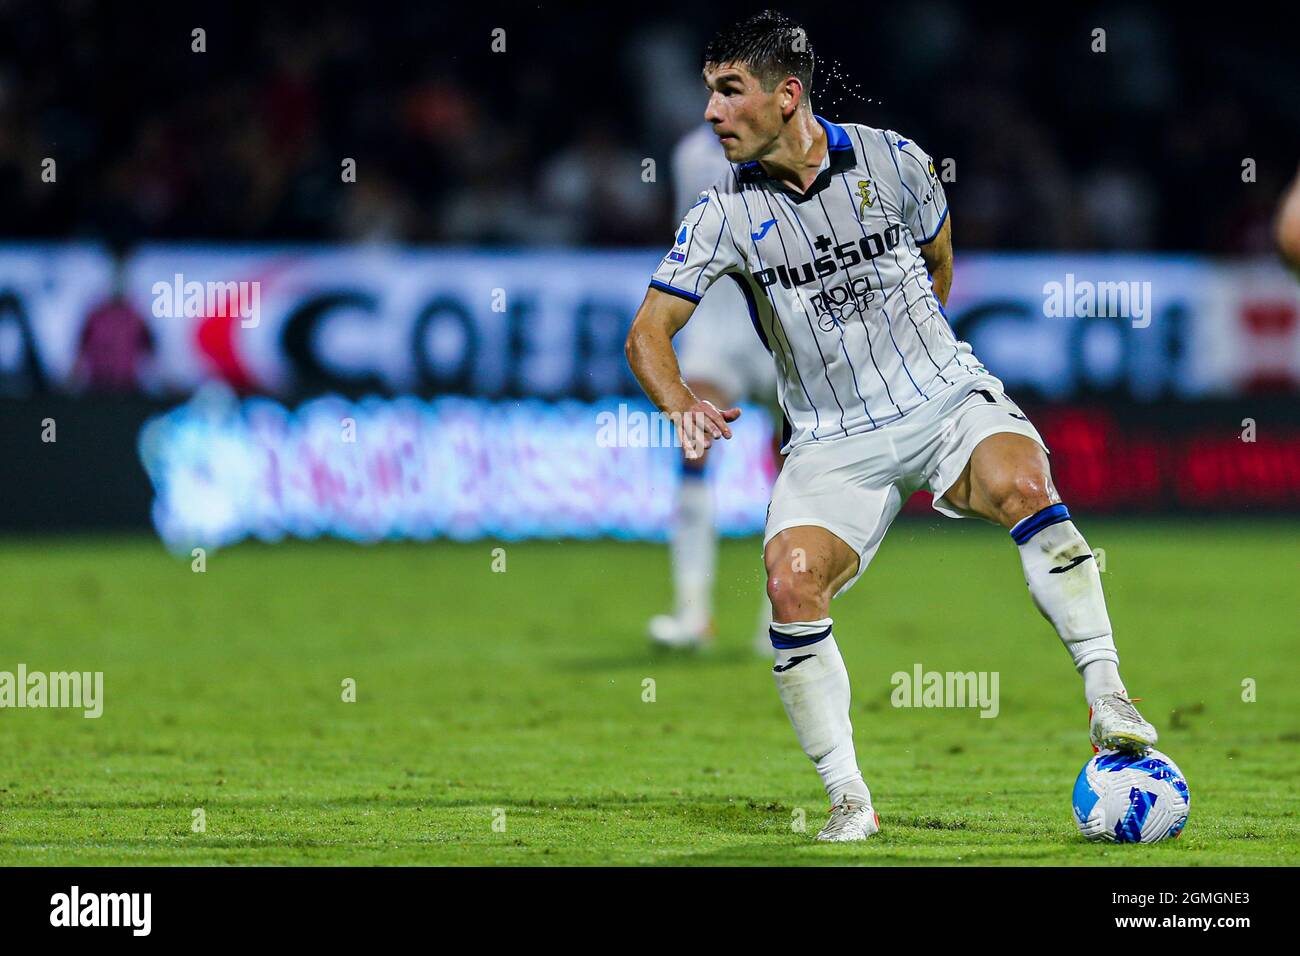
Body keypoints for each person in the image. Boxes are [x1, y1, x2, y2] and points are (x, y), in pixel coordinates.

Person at [624, 10, 1156, 842]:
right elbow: (646, 334)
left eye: (729, 92)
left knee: (1024, 484)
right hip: (832, 438)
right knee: (790, 583)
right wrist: (680, 404)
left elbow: (940, 264)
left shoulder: (895, 160)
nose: (711, 113)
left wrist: (914, 360)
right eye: (709, 93)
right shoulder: (722, 214)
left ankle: (1109, 694)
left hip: (941, 398)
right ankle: (848, 800)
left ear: (786, 95)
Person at [647, 122, 779, 653]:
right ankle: (692, 615)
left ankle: (784, 617)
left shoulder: (804, 143)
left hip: (782, 330)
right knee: (693, 446)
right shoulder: (691, 155)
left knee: (797, 472)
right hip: (717, 328)